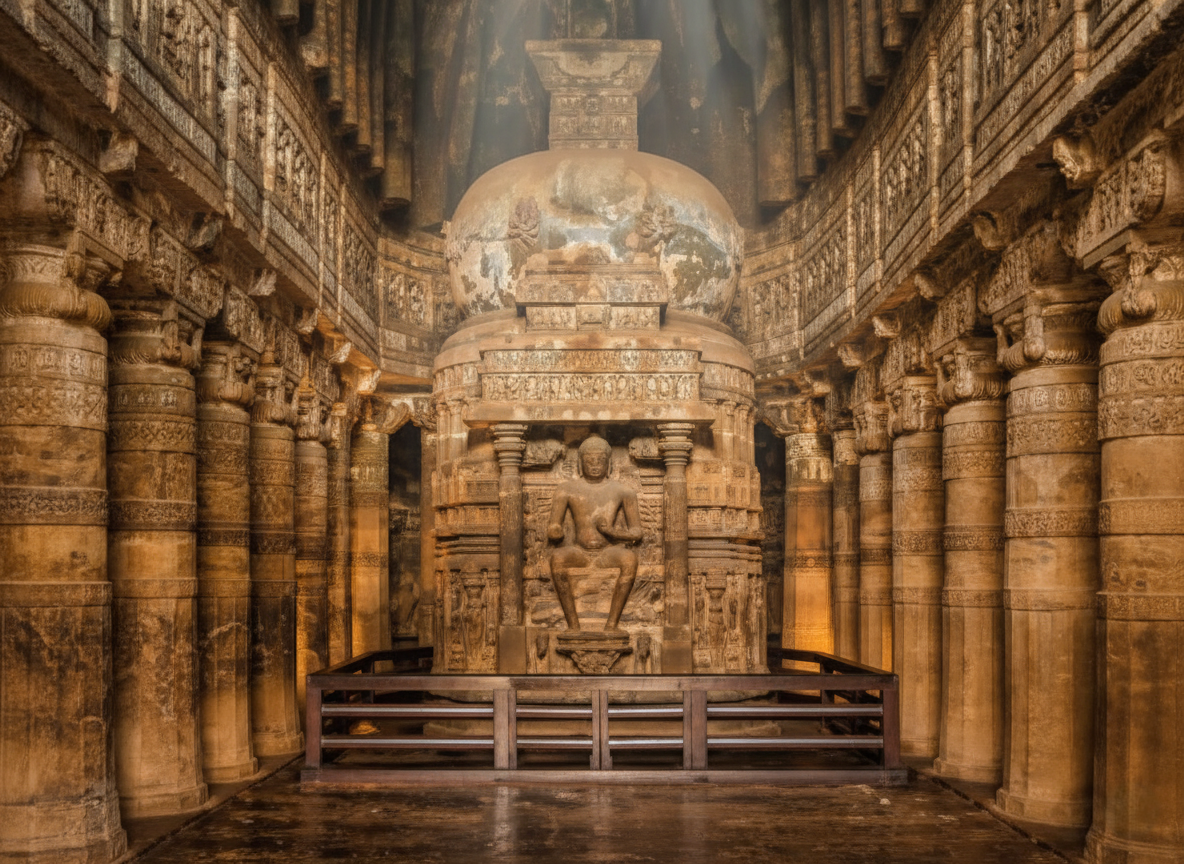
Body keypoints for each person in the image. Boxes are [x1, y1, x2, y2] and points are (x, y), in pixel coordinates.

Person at [546, 435, 642, 631]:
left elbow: (637, 532)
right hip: (579, 551)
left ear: (609, 464)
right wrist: (555, 531)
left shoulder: (623, 491)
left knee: (629, 560)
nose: (595, 465)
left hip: (607, 552)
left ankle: (612, 624)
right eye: (590, 460)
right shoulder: (566, 490)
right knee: (557, 559)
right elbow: (553, 526)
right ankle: (573, 625)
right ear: (581, 464)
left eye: (600, 460)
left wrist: (612, 532)